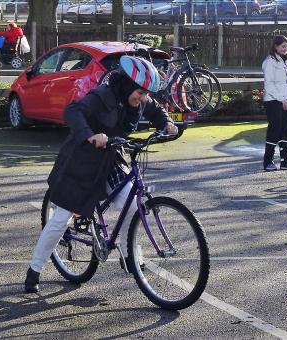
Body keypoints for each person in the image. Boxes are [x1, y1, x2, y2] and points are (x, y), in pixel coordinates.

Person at [24, 56, 179, 293]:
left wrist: (167, 124)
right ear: (127, 84)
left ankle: (129, 256)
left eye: (146, 93)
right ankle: (34, 270)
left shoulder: (139, 100)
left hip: (110, 160)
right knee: (61, 218)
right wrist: (90, 135)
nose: (143, 98)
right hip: (81, 162)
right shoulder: (102, 95)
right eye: (140, 92)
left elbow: (156, 110)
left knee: (132, 205)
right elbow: (73, 112)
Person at [261, 35, 287, 172]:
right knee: (275, 129)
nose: (285, 49)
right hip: (273, 101)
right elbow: (269, 85)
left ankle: (285, 161)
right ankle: (268, 161)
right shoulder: (270, 62)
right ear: (276, 46)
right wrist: (281, 99)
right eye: (283, 46)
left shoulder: (286, 61)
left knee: (286, 129)